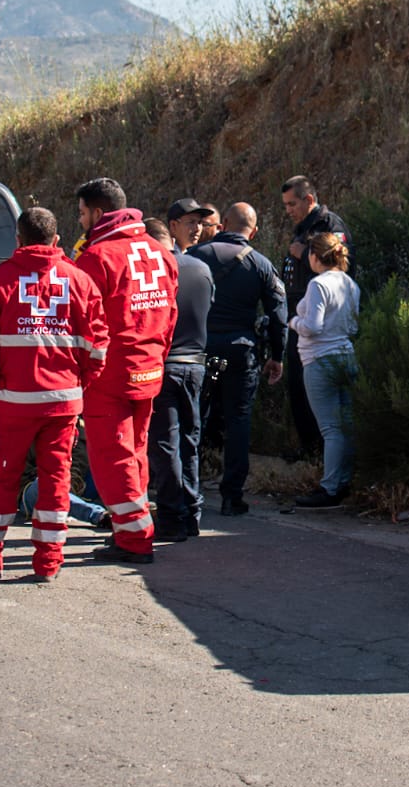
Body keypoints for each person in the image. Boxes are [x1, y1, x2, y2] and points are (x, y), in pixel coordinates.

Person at [0, 207, 107, 581]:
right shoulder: (79, 280)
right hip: (63, 402)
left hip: (14, 403)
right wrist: (78, 383)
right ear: (56, 240)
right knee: (57, 480)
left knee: (1, 480)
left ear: (18, 240)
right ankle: (48, 563)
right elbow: (98, 345)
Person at [73, 177, 178, 564]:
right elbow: (169, 315)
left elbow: (82, 325)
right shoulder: (160, 251)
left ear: (99, 213)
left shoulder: (97, 258)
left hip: (110, 374)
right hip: (149, 368)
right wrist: (156, 356)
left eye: (83, 213)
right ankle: (129, 529)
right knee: (135, 455)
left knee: (111, 458)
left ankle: (134, 539)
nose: (81, 221)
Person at [190, 202, 287, 516]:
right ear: (254, 231)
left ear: (224, 223)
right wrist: (277, 355)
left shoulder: (196, 256)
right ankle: (232, 496)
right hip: (240, 352)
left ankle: (187, 491)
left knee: (197, 416)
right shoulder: (260, 263)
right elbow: (278, 315)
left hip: (206, 353)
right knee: (238, 419)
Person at [144, 217, 213, 541]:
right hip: (196, 365)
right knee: (189, 441)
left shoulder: (154, 271)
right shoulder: (201, 268)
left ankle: (172, 516)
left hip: (165, 365)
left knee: (165, 444)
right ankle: (192, 512)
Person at [286, 233, 361, 510]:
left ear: (315, 256)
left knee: (330, 428)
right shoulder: (350, 284)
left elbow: (313, 326)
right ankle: (343, 482)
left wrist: (292, 321)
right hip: (346, 356)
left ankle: (329, 488)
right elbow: (353, 327)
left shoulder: (318, 284)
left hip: (319, 359)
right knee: (347, 426)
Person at [279, 175, 349, 463]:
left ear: (309, 199)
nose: (288, 210)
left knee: (318, 390)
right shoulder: (304, 228)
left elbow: (340, 270)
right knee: (297, 385)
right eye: (285, 205)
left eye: (292, 204)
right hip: (301, 312)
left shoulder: (330, 227)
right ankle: (309, 446)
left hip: (318, 323)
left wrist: (303, 254)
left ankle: (322, 452)